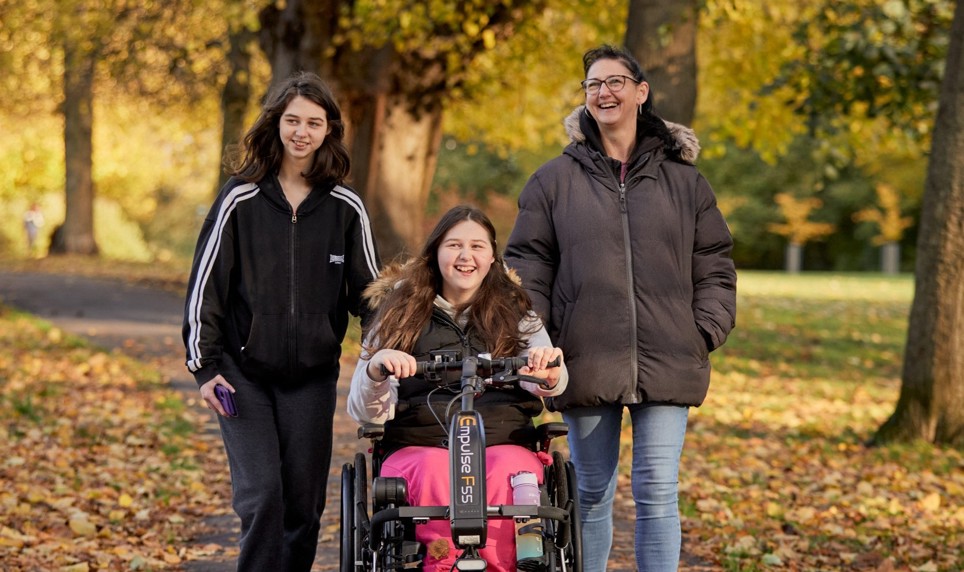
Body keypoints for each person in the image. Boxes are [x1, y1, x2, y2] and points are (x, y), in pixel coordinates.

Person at [504, 45, 737, 572]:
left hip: (670, 352)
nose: (603, 93)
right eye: (592, 85)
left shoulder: (686, 182)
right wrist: (539, 339)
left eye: (614, 82)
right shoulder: (552, 181)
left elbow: (715, 261)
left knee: (658, 491)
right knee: (591, 492)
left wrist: (703, 330)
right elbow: (526, 265)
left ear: (640, 91)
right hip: (584, 356)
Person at [182, 71, 380, 572]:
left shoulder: (345, 208)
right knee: (262, 498)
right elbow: (205, 288)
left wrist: (386, 349)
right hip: (241, 375)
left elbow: (372, 296)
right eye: (292, 120)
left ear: (329, 130)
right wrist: (205, 369)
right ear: (276, 123)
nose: (302, 132)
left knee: (302, 508)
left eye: (314, 123)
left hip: (311, 380)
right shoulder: (239, 199)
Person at [348, 205, 568, 572]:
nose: (466, 256)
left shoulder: (516, 312)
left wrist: (547, 375)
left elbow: (552, 380)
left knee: (511, 470)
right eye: (454, 245)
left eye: (477, 246)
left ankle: (505, 564)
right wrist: (377, 369)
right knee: (435, 471)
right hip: (420, 442)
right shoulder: (399, 312)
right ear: (435, 253)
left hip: (503, 439)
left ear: (492, 258)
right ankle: (442, 564)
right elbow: (364, 409)